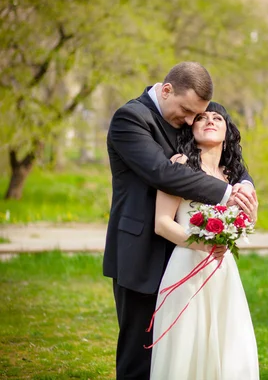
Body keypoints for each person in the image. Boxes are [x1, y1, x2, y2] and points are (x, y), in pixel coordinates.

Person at [103, 62, 256, 379]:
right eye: (187, 112)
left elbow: (230, 152)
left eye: (196, 115)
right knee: (141, 353)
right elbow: (163, 173)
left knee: (190, 349)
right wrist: (227, 194)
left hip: (189, 259)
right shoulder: (130, 119)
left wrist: (246, 186)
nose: (191, 122)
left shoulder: (196, 109)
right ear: (167, 89)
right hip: (142, 249)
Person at [149, 102, 259, 379]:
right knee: (187, 343)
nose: (209, 121)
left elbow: (246, 224)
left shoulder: (234, 177)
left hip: (224, 271)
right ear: (191, 127)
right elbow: (162, 223)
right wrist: (201, 244)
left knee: (229, 342)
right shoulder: (179, 165)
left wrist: (249, 218)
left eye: (217, 118)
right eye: (201, 117)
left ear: (227, 130)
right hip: (186, 266)